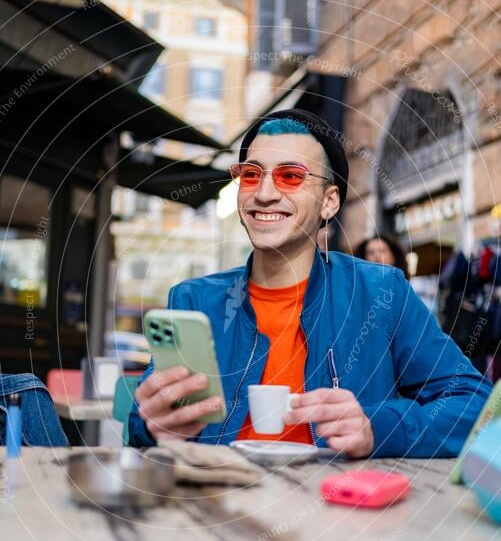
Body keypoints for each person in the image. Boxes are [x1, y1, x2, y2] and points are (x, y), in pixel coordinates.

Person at [129, 108, 491, 458]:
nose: (264, 193)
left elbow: (473, 404)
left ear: (329, 202)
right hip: (216, 506)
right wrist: (151, 425)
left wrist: (377, 427)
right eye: (252, 175)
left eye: (290, 176)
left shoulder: (381, 293)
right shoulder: (195, 300)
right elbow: (143, 425)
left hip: (337, 511)